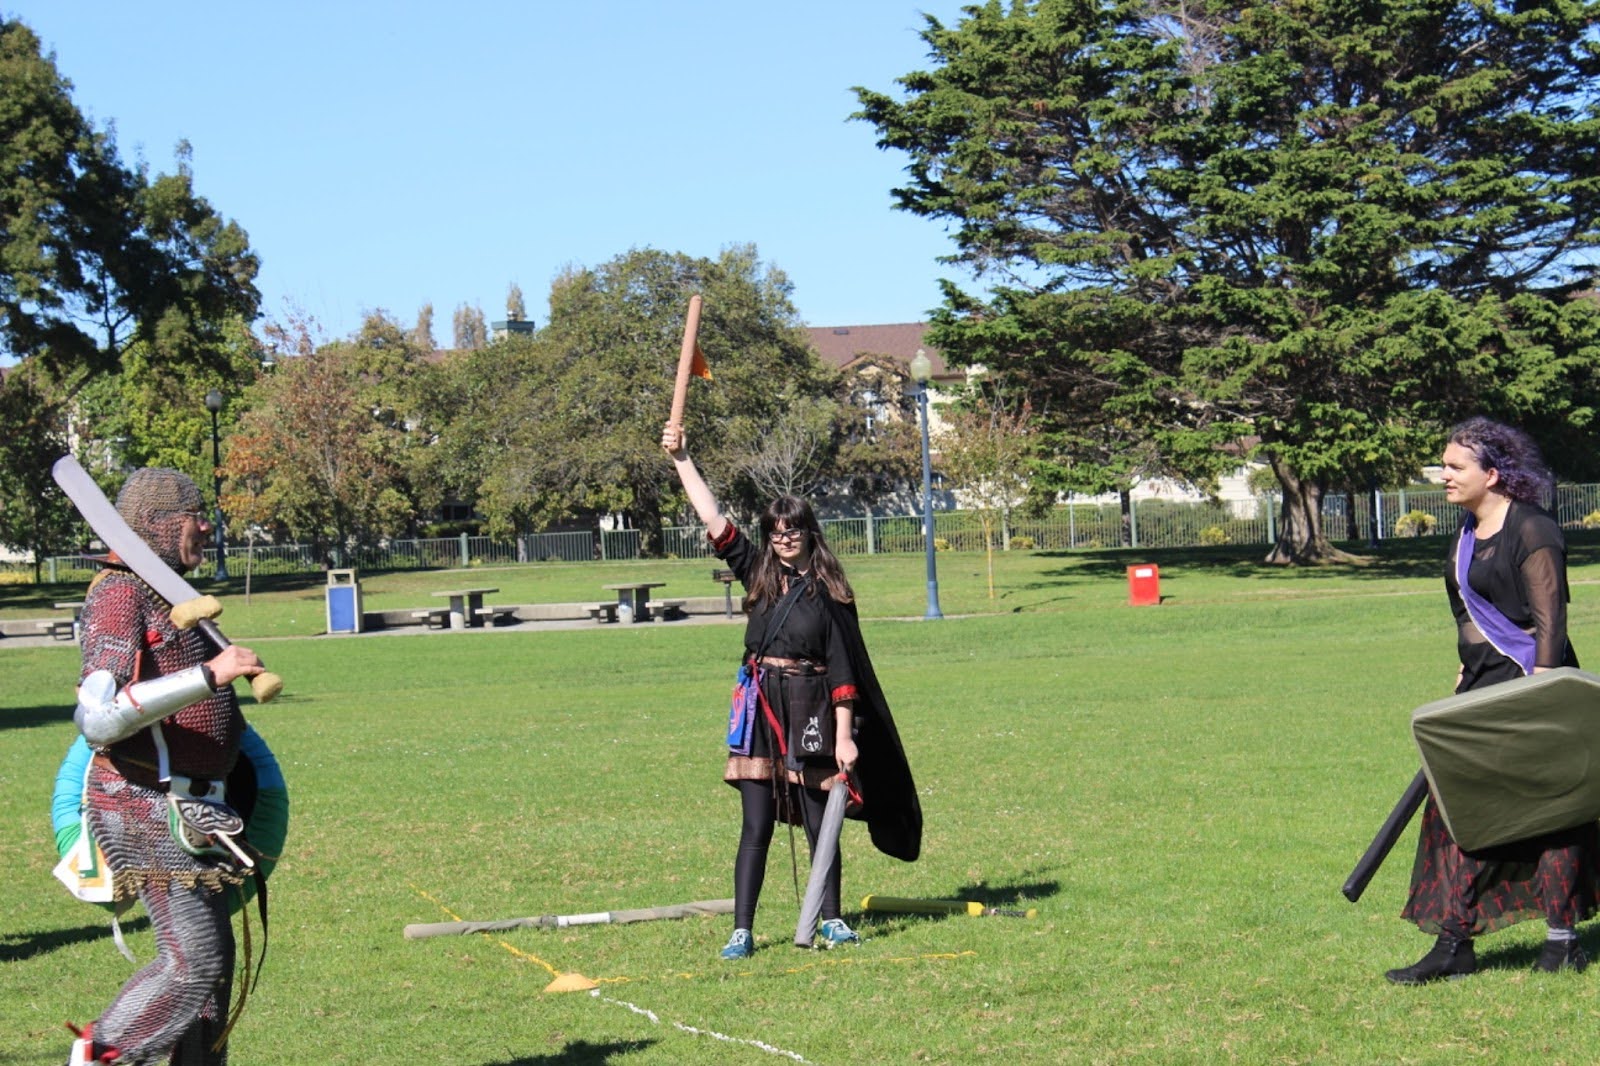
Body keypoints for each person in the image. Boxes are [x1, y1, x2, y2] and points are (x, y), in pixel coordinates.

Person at [662, 421, 921, 959]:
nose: (783, 539)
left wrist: (845, 738)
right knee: (755, 822)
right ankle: (742, 930)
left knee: (816, 817)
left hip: (811, 711)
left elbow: (844, 673)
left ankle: (831, 920)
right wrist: (683, 457)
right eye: (775, 532)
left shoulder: (830, 593)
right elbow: (712, 517)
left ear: (809, 532)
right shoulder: (755, 571)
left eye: (792, 531)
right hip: (759, 708)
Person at [1387, 417, 1600, 984]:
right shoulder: (1463, 533)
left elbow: (1550, 627)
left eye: (1456, 467)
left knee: (1553, 812)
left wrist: (1543, 696)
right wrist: (1468, 662)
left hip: (1536, 690)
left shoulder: (1532, 529)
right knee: (1455, 809)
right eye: (1444, 466)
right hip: (1481, 689)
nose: (1444, 477)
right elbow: (1467, 613)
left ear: (1493, 473)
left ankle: (1561, 942)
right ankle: (1453, 943)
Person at [66, 468, 266, 1065]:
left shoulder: (170, 593)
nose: (206, 526)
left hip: (195, 806)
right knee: (193, 961)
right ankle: (97, 1058)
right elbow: (97, 718)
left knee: (212, 970)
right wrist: (210, 674)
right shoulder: (118, 593)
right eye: (194, 514)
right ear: (156, 523)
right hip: (143, 802)